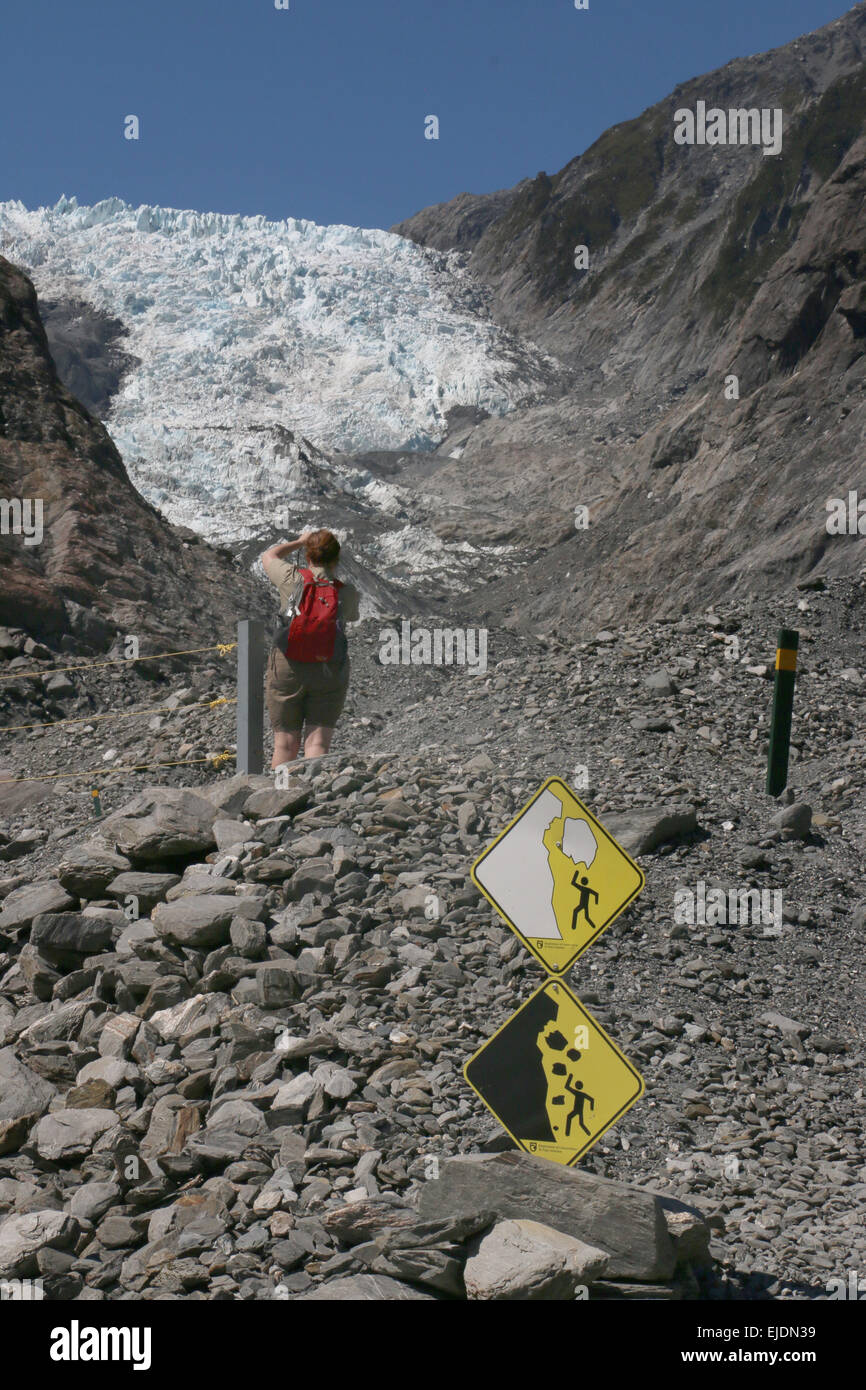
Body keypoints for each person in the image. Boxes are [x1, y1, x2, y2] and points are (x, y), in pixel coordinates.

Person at [260, 529, 360, 766]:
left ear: (308, 555)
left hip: (288, 662)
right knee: (318, 743)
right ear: (336, 559)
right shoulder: (346, 592)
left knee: (284, 743)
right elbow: (352, 616)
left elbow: (268, 556)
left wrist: (299, 541)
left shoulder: (291, 578)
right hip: (329, 666)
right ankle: (312, 793)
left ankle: (281, 795)